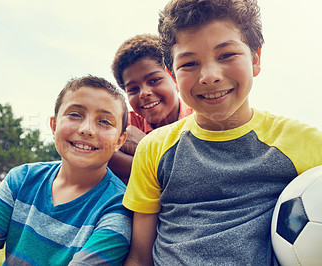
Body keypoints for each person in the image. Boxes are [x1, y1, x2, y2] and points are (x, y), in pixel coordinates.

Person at [122, 0, 322, 265]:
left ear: (256, 59)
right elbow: (139, 256)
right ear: (173, 73)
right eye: (189, 63)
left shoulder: (305, 143)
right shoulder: (154, 149)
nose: (209, 75)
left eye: (226, 55)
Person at [0, 75, 132, 265]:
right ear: (53, 125)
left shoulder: (117, 208)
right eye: (75, 114)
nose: (87, 129)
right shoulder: (22, 179)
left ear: (119, 141)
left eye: (104, 121)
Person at [108, 34, 193, 183]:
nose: (144, 93)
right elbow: (104, 156)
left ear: (174, 78)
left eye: (154, 80)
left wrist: (142, 146)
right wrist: (162, 167)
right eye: (133, 89)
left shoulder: (201, 118)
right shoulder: (127, 122)